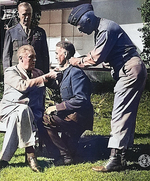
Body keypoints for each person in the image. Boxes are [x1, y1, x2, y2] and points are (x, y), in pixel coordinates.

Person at [68, 4, 147, 172]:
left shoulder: (105, 29)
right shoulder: (103, 28)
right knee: (127, 114)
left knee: (120, 114)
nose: (80, 31)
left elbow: (95, 58)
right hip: (132, 69)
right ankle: (123, 155)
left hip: (129, 71)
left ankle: (115, 159)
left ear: (87, 19)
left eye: (80, 26)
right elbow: (100, 57)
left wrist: (76, 61)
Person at [0, 45, 56, 172]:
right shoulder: (10, 72)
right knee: (22, 109)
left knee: (20, 113)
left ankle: (3, 159)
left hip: (29, 113)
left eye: (35, 57)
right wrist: (44, 78)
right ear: (21, 58)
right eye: (31, 57)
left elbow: (53, 85)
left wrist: (59, 73)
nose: (34, 60)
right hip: (9, 110)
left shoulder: (38, 73)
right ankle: (31, 154)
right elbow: (23, 85)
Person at [43, 41, 93, 165]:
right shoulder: (67, 72)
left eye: (56, 53)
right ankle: (65, 154)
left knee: (45, 119)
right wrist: (49, 80)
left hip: (78, 118)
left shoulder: (75, 73)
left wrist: (57, 107)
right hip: (71, 115)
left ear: (65, 54)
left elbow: (80, 99)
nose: (55, 56)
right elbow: (63, 89)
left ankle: (65, 156)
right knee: (72, 149)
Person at [2, 2, 50, 74]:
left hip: (36, 73)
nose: (27, 17)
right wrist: (8, 73)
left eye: (29, 14)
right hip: (18, 73)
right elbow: (7, 56)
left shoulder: (40, 32)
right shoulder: (11, 32)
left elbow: (45, 55)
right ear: (18, 14)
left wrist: (45, 74)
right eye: (24, 14)